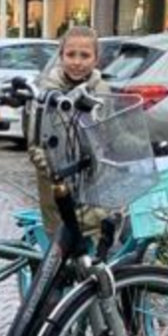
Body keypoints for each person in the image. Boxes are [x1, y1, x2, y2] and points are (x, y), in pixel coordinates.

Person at [29, 25, 110, 235]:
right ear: (61, 56)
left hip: (94, 186)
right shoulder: (46, 92)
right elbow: (35, 145)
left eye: (84, 55)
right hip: (59, 189)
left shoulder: (102, 90)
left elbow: (112, 132)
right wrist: (55, 170)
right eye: (70, 54)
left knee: (94, 249)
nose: (77, 62)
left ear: (96, 59)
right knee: (62, 246)